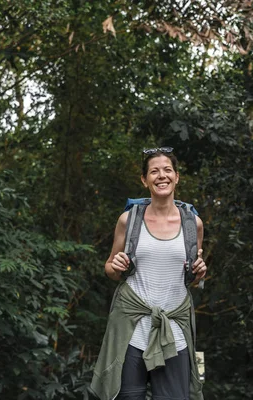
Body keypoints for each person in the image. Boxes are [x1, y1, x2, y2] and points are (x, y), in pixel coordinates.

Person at [91, 147, 206, 400]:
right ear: (144, 180)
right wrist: (116, 265)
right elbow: (110, 267)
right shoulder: (128, 220)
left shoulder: (193, 224)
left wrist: (200, 273)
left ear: (177, 177)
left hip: (174, 329)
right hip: (131, 330)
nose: (161, 176)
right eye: (154, 171)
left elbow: (194, 279)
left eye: (167, 170)